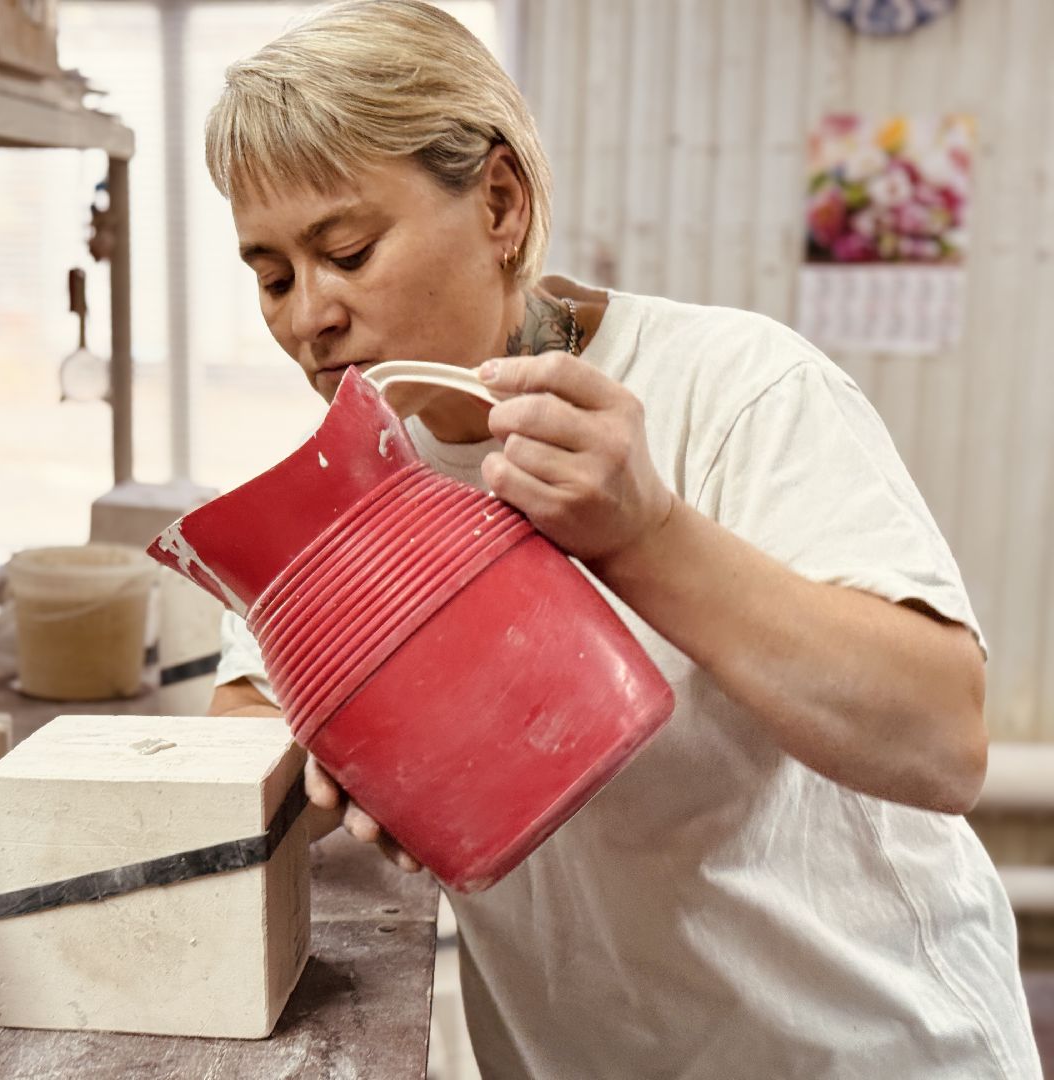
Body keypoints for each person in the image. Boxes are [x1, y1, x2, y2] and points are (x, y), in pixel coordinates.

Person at [201, 2, 1043, 1076]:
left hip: (866, 1053)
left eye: (348, 251)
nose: (305, 316)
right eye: (271, 276)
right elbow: (246, 711)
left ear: (499, 203)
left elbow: (940, 740)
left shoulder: (736, 390)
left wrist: (645, 536)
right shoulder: (352, 478)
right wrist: (342, 749)